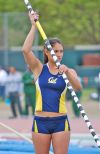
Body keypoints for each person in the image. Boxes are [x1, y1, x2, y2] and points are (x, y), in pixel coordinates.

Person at [22, 12, 82, 154]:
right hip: (40, 122)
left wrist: (66, 72)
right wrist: (33, 26)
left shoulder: (69, 71)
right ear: (47, 52)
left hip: (60, 122)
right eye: (56, 51)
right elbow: (25, 50)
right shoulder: (38, 68)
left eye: (61, 51)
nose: (59, 54)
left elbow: (78, 87)